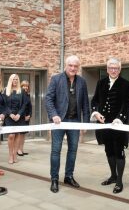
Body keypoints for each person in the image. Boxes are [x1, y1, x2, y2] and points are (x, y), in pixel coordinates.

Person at [45, 55, 90, 193]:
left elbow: (85, 104)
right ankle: (54, 179)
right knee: (56, 151)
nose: (73, 68)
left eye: (76, 66)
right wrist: (54, 115)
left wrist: (85, 124)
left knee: (73, 151)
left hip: (75, 121)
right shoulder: (56, 79)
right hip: (59, 122)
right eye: (71, 65)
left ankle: (68, 176)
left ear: (78, 67)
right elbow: (48, 99)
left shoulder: (82, 82)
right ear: (66, 65)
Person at [91, 57, 129, 194]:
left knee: (119, 152)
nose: (113, 70)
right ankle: (113, 176)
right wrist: (96, 113)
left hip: (118, 124)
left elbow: (127, 104)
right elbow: (95, 100)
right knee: (109, 150)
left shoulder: (126, 84)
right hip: (104, 124)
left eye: (116, 68)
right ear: (107, 69)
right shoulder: (100, 82)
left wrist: (119, 119)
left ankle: (119, 181)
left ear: (120, 70)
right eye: (111, 68)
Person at [3, 74, 27, 164]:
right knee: (11, 135)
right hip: (9, 116)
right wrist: (10, 114)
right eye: (13, 79)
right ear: (10, 80)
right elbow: (4, 104)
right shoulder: (6, 90)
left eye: (17, 79)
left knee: (17, 135)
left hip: (19, 117)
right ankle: (10, 155)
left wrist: (19, 114)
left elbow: (24, 104)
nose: (15, 81)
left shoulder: (22, 91)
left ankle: (14, 155)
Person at [17, 80, 32, 156]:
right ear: (21, 86)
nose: (25, 87)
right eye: (24, 86)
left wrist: (29, 115)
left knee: (23, 135)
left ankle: (21, 149)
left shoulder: (27, 94)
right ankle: (18, 150)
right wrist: (24, 116)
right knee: (20, 134)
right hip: (22, 117)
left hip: (27, 117)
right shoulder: (20, 94)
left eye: (27, 86)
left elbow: (30, 106)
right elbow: (20, 107)